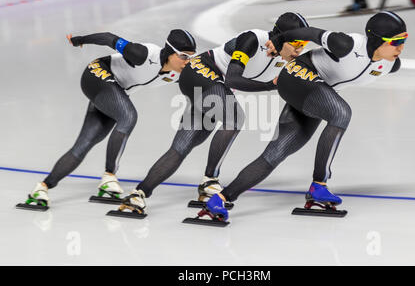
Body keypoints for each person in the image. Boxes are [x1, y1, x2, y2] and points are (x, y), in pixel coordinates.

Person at [203, 11, 407, 222]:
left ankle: (220, 199)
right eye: (395, 42)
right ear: (375, 40)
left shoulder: (391, 65)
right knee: (341, 113)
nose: (401, 48)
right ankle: (319, 185)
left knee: (277, 152)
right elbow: (309, 32)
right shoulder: (346, 44)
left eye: (404, 40)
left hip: (313, 92)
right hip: (297, 75)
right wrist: (279, 39)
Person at [115, 12, 310, 216]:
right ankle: (210, 180)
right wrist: (270, 85)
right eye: (296, 42)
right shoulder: (252, 40)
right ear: (279, 37)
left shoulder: (287, 56)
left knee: (183, 145)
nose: (300, 49)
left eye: (304, 43)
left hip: (215, 85)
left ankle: (138, 194)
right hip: (200, 71)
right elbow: (233, 79)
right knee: (234, 119)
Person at [18, 29, 197, 209]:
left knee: (85, 143)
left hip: (113, 92)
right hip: (96, 75)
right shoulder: (142, 54)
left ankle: (41, 188)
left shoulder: (178, 73)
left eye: (191, 56)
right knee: (128, 116)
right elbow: (108, 38)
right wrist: (79, 40)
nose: (187, 61)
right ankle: (109, 176)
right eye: (183, 56)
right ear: (169, 51)